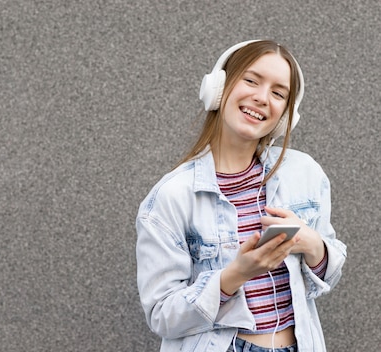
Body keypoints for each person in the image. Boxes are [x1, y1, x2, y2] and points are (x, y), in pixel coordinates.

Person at [135, 40, 347, 352]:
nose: (262, 98)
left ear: (286, 115)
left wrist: (313, 245)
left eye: (278, 93)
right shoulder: (171, 197)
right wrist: (235, 275)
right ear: (219, 88)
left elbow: (326, 277)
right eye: (251, 80)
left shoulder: (305, 174)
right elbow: (162, 315)